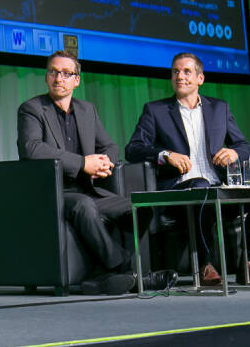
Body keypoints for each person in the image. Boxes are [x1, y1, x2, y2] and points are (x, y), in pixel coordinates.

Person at [17, 51, 171, 294]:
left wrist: (103, 163)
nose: (59, 78)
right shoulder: (32, 109)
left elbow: (109, 147)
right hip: (53, 192)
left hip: (90, 189)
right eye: (53, 72)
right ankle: (124, 270)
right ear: (46, 77)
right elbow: (32, 149)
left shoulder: (87, 110)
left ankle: (105, 275)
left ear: (77, 80)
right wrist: (81, 163)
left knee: (139, 209)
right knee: (84, 207)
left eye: (66, 73)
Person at [125, 52, 250, 286]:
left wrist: (234, 152)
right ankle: (205, 265)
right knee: (201, 186)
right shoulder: (155, 110)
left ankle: (249, 262)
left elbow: (243, 145)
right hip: (179, 193)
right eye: (175, 71)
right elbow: (133, 148)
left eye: (186, 72)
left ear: (200, 78)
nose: (179, 76)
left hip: (218, 188)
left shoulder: (219, 108)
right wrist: (165, 155)